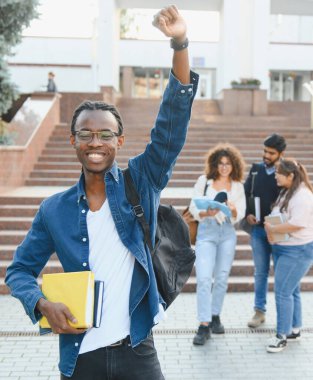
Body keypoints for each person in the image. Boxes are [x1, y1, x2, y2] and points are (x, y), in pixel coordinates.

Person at [5, 6, 198, 379]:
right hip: (80, 358)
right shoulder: (54, 210)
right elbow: (19, 271)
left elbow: (171, 127)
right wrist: (42, 304)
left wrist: (179, 43)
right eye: (86, 133)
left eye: (106, 134)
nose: (96, 142)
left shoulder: (140, 181)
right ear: (73, 140)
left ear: (120, 140)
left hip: (137, 349)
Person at [189, 143, 246, 345]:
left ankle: (215, 316)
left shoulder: (238, 186)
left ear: (233, 165)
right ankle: (203, 325)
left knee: (221, 277)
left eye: (228, 163)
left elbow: (240, 213)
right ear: (215, 164)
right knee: (204, 278)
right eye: (220, 163)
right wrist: (207, 212)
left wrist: (231, 208)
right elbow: (193, 207)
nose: (224, 167)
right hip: (206, 231)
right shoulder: (204, 181)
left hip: (227, 233)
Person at [264, 159, 313, 353]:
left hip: (297, 250)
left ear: (290, 176)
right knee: (292, 290)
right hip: (285, 248)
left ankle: (281, 336)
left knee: (283, 292)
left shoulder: (302, 195)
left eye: (279, 173)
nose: (275, 176)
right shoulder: (288, 191)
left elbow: (297, 223)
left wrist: (273, 227)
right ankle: (294, 329)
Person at [244, 133, 286, 328]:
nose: (266, 155)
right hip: (259, 231)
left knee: (281, 273)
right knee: (260, 272)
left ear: (281, 154)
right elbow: (244, 194)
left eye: (271, 153)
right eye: (265, 151)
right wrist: (247, 214)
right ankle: (259, 312)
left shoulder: (287, 171)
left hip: (279, 232)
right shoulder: (255, 170)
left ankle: (283, 315)